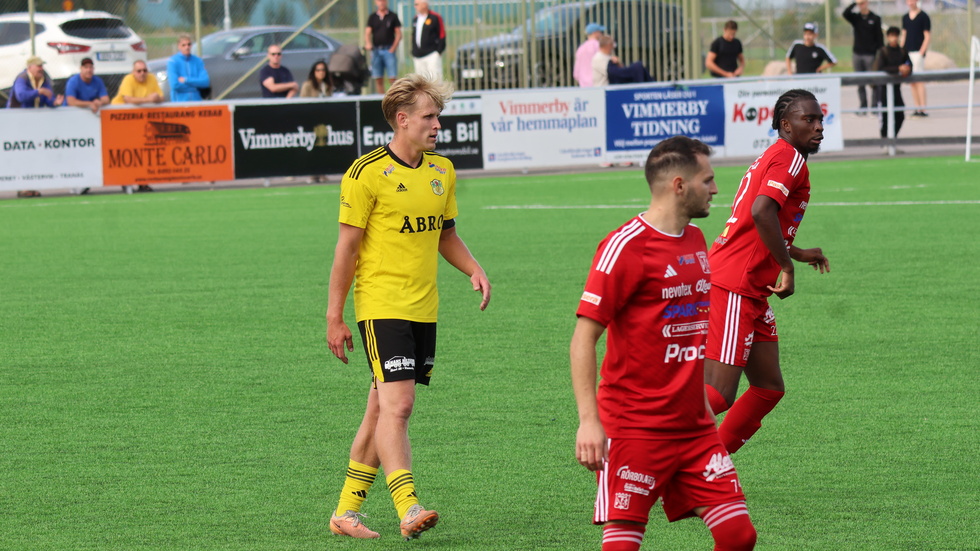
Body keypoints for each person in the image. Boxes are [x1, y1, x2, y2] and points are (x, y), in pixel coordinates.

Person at [325, 74, 491, 541]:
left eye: (437, 116)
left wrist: (472, 268)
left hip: (424, 309)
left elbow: (446, 234)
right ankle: (407, 505)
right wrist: (334, 317)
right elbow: (346, 249)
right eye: (429, 116)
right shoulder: (365, 173)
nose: (438, 124)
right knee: (399, 404)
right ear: (402, 120)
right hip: (381, 305)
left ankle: (345, 513)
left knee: (381, 410)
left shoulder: (442, 171)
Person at [571, 136, 757, 551]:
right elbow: (584, 338)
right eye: (707, 180)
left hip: (695, 428)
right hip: (635, 428)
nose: (715, 189)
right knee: (622, 545)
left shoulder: (695, 240)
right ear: (679, 185)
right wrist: (589, 421)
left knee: (738, 535)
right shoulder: (624, 248)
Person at [703, 90, 831, 454]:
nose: (819, 127)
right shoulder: (789, 158)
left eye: (820, 120)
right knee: (719, 392)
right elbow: (761, 212)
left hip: (750, 286)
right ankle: (640, 444)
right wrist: (787, 267)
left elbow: (757, 224)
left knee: (768, 387)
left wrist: (797, 252)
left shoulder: (778, 156)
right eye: (810, 120)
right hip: (735, 284)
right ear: (786, 125)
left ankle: (709, 467)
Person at [7, 56, 61, 198]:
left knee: (34, 154)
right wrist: (39, 92)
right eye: (38, 66)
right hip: (17, 122)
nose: (41, 68)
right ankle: (22, 186)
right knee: (21, 154)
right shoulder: (22, 78)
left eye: (42, 65)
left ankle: (32, 186)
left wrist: (55, 103)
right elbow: (21, 96)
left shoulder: (44, 80)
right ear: (30, 67)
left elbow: (48, 99)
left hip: (34, 124)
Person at [842, 1, 883, 114]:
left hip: (870, 55)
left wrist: (878, 55)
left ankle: (874, 106)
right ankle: (863, 106)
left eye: (863, 2)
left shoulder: (875, 18)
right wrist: (854, 3)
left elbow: (880, 39)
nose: (862, 5)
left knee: (873, 82)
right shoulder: (856, 18)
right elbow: (845, 13)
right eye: (860, 3)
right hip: (857, 54)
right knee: (860, 82)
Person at [874, 27, 912, 143]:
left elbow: (909, 64)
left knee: (900, 115)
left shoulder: (902, 51)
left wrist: (907, 69)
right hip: (883, 89)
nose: (894, 38)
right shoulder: (883, 51)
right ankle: (885, 140)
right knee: (885, 117)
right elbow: (880, 68)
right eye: (891, 36)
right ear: (887, 37)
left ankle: (892, 139)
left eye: (896, 35)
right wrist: (897, 69)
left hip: (896, 88)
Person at [901, 0, 930, 117]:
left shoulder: (923, 16)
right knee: (912, 82)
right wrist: (902, 51)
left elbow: (927, 36)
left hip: (918, 53)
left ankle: (923, 108)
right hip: (908, 52)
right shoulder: (905, 18)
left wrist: (921, 52)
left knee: (919, 81)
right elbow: (904, 35)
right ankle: (916, 107)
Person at [366, 0, 402, 94]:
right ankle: (381, 98)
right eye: (379, 1)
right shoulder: (372, 17)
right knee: (378, 77)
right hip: (376, 50)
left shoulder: (392, 16)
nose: (381, 3)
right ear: (375, 2)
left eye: (383, 1)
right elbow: (367, 33)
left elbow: (398, 34)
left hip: (388, 49)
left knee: (392, 77)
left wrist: (393, 48)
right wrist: (368, 43)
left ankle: (394, 97)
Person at [167, 34, 210, 102]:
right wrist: (196, 87)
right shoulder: (173, 61)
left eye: (189, 44)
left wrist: (186, 80)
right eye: (183, 45)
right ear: (179, 46)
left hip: (196, 101)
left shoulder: (198, 61)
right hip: (179, 102)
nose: (187, 47)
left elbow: (205, 82)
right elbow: (175, 85)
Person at [410, 0, 446, 81]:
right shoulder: (416, 18)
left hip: (431, 54)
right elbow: (413, 35)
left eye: (417, 4)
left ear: (424, 5)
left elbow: (442, 34)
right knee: (421, 82)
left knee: (435, 80)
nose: (415, 6)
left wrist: (438, 52)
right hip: (418, 56)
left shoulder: (435, 17)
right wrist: (414, 51)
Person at [574, 23, 606, 87]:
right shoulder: (599, 46)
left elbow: (576, 73)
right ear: (595, 33)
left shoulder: (580, 48)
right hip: (598, 85)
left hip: (584, 86)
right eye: (600, 32)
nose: (601, 34)